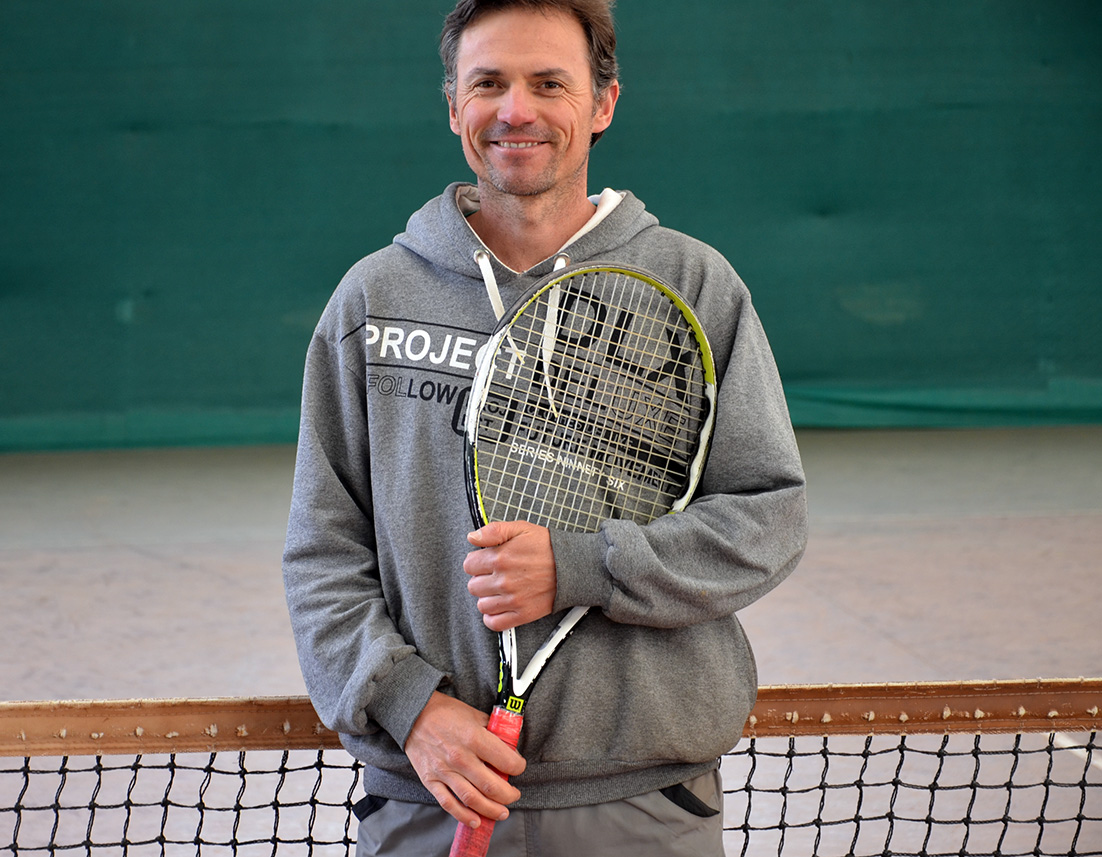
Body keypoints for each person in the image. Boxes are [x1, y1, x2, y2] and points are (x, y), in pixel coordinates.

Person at [281, 1, 807, 854]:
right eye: (488, 82)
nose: (515, 110)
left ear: (602, 104)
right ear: (453, 105)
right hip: (429, 792)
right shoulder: (373, 300)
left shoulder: (693, 283)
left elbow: (767, 517)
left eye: (549, 83)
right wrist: (409, 706)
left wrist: (580, 565)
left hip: (643, 805)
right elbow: (321, 550)